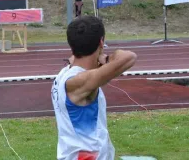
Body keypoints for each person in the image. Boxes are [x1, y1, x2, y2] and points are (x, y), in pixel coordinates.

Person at [51, 15, 137, 160]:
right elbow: (129, 57)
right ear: (101, 42)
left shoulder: (66, 72)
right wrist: (107, 59)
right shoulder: (80, 81)